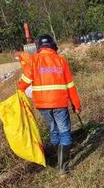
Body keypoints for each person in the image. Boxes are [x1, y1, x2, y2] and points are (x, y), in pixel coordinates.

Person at [18, 34, 81, 174]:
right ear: (53, 46)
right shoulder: (61, 60)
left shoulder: (33, 61)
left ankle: (57, 159)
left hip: (42, 106)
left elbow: (23, 83)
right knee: (64, 132)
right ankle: (63, 167)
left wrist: (20, 90)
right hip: (60, 103)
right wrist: (76, 104)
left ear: (39, 47)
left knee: (53, 131)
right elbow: (70, 85)